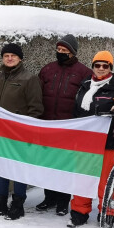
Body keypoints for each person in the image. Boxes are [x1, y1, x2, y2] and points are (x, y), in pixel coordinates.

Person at [67, 51, 114, 228]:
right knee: (83, 178)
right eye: (98, 65)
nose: (101, 69)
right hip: (84, 142)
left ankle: (109, 212)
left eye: (105, 65)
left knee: (107, 181)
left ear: (111, 67)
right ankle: (79, 211)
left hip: (108, 142)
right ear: (93, 66)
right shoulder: (85, 85)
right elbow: (76, 113)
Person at [0, 43, 43, 220]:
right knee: (0, 167)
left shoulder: (29, 79)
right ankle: (0, 202)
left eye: (13, 56)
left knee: (18, 169)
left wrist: (29, 130)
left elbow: (36, 108)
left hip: (20, 133)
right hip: (0, 133)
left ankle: (17, 204)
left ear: (20, 58)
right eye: (6, 55)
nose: (9, 58)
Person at [37, 34, 93, 216]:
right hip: (47, 125)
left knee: (65, 165)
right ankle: (49, 197)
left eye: (65, 50)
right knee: (48, 164)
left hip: (69, 126)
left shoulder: (84, 72)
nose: (60, 53)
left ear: (73, 52)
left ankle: (62, 201)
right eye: (59, 50)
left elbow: (87, 99)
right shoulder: (47, 69)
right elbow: (37, 94)